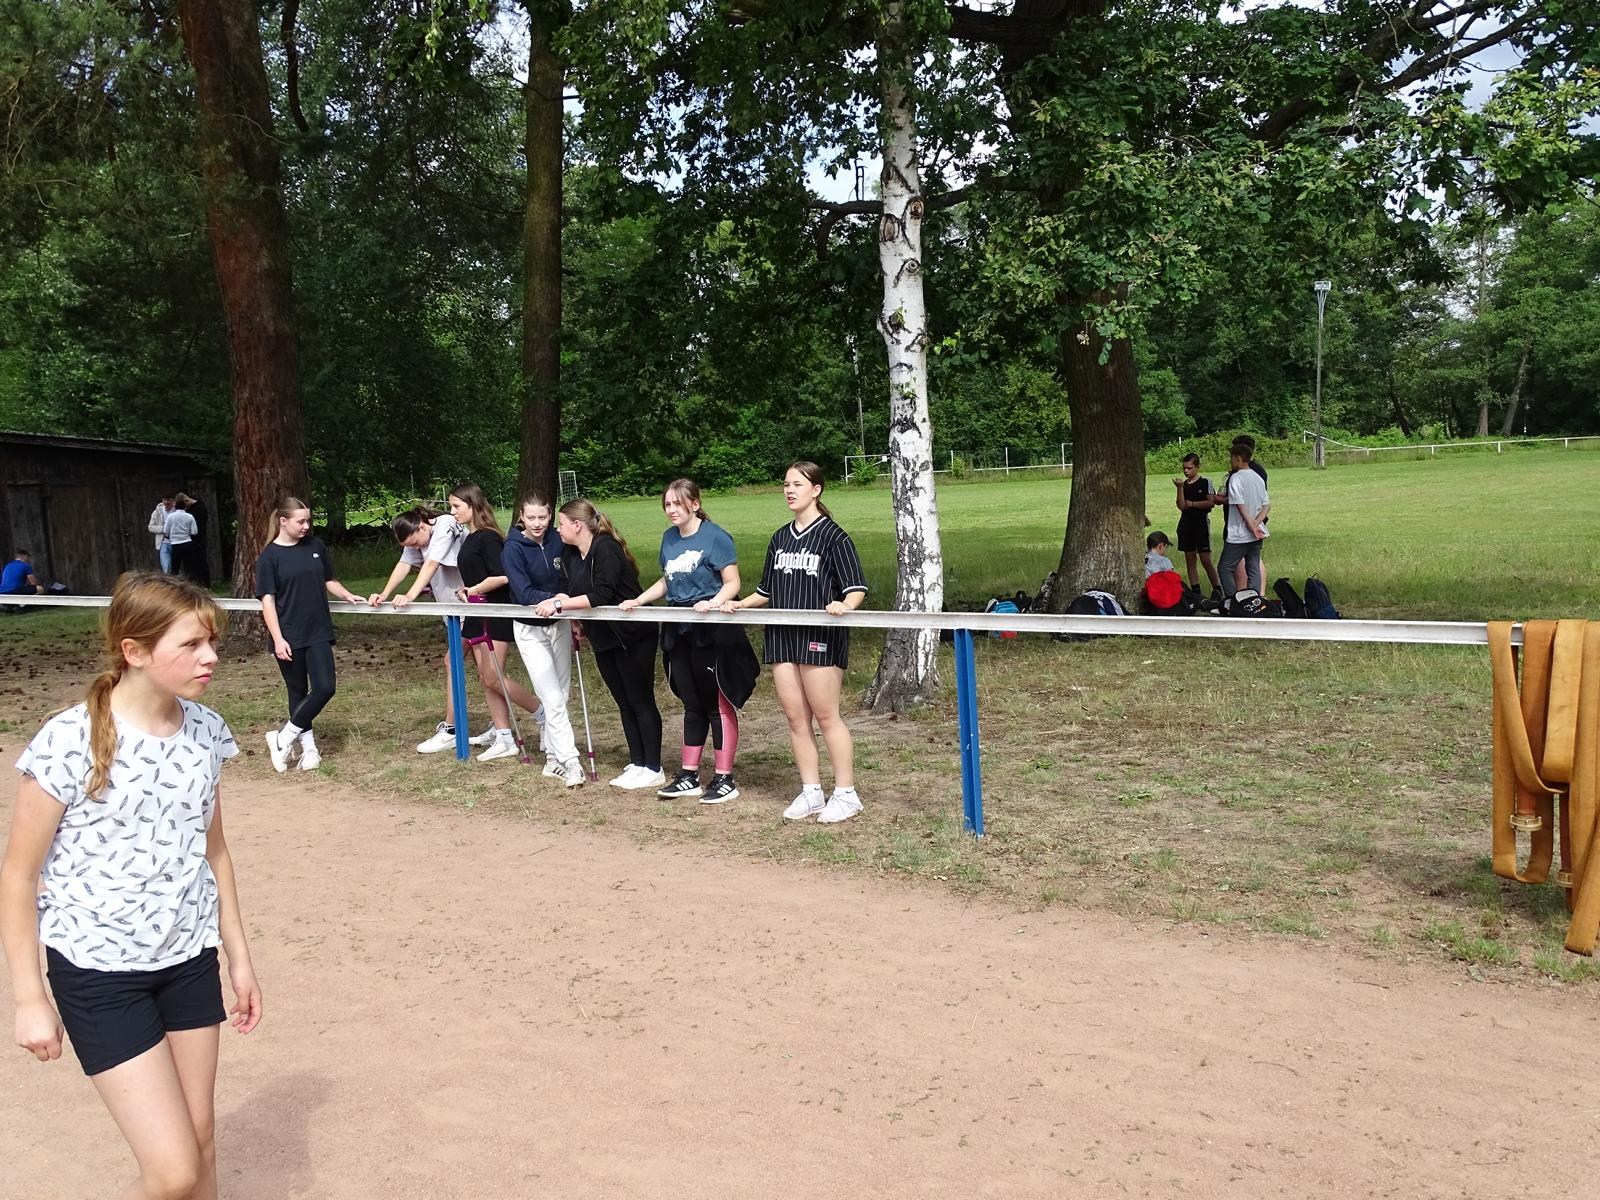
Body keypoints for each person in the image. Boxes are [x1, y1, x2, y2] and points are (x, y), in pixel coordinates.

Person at [0, 571, 262, 1199]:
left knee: (200, 1142)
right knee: (172, 1172)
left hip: (187, 959)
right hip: (99, 971)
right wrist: (29, 997)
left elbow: (215, 852)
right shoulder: (69, 740)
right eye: (191, 644)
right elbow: (18, 875)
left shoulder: (206, 731)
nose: (210, 657)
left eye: (213, 642)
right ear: (135, 650)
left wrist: (238, 957)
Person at [721, 462, 868, 823]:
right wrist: (740, 604)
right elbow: (765, 590)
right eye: (786, 484)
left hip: (819, 636)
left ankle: (846, 794)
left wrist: (845, 605)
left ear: (816, 490)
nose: (789, 490)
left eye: (797, 484)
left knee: (826, 716)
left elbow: (856, 588)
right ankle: (811, 791)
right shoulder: (779, 538)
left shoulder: (834, 537)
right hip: (782, 636)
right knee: (795, 717)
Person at [621, 479, 759, 805]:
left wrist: (713, 603)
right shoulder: (668, 539)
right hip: (679, 630)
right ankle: (689, 774)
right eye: (667, 505)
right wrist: (639, 600)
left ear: (694, 504)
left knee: (717, 704)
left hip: (711, 632)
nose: (671, 510)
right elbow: (668, 580)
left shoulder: (716, 537)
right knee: (691, 703)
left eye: (677, 504)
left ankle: (724, 778)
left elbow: (732, 582)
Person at [533, 500, 664, 790]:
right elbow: (567, 591)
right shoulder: (569, 554)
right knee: (623, 700)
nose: (557, 529)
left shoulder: (606, 548)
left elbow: (602, 593)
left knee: (640, 698)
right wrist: (571, 614)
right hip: (603, 635)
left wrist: (559, 606)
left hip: (632, 634)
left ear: (577, 525)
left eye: (561, 523)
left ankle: (653, 766)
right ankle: (638, 761)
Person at [369, 505, 496, 754]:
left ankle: (454, 729)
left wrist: (410, 595)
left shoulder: (445, 524)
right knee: (482, 670)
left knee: (467, 666)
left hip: (471, 606)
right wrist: (384, 593)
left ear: (422, 526)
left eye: (417, 543)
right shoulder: (419, 535)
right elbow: (404, 565)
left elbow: (431, 565)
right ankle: (500, 725)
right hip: (454, 611)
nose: (417, 549)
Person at [256, 498, 364, 773]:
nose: (306, 526)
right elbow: (267, 600)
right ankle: (309, 749)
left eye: (308, 520)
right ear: (283, 521)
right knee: (297, 691)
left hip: (318, 630)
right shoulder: (269, 557)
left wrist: (347, 595)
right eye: (300, 521)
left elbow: (329, 580)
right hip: (288, 634)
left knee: (325, 687)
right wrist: (278, 639)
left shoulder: (316, 546)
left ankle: (282, 738)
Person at [448, 483, 545, 764]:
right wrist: (468, 590)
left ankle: (542, 714)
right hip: (477, 611)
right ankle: (504, 736)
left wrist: (475, 589)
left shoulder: (489, 538)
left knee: (493, 676)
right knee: (486, 678)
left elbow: (503, 575)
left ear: (473, 505)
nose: (452, 511)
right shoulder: (471, 536)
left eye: (456, 506)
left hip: (494, 612)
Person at [503, 492, 585, 787]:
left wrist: (564, 604)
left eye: (543, 517)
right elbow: (524, 593)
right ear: (521, 517)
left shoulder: (556, 540)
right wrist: (557, 599)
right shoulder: (512, 548)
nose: (537, 523)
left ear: (550, 516)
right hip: (530, 628)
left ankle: (552, 759)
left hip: (559, 622)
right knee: (551, 697)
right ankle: (571, 761)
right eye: (531, 518)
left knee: (561, 694)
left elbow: (569, 577)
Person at [1217, 443, 1270, 598]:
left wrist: (1250, 525)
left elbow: (1240, 506)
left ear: (1238, 459)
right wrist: (1257, 523)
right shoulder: (1257, 477)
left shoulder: (1236, 478)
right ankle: (1254, 599)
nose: (1230, 461)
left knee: (1225, 568)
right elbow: (1267, 505)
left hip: (1239, 533)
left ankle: (1233, 599)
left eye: (1231, 458)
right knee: (1253, 566)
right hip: (1257, 532)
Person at [1172, 454, 1222, 596]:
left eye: (1189, 468)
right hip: (1186, 524)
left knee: (1205, 559)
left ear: (1197, 467)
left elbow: (1211, 502)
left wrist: (1193, 504)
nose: (1186, 471)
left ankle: (1217, 589)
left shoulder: (1205, 482)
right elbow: (1181, 506)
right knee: (1190, 559)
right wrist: (1180, 488)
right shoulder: (1184, 485)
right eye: (1184, 468)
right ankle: (1196, 592)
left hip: (1200, 524)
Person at [174, 493, 211, 586]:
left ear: (186, 500)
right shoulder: (188, 511)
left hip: (199, 540)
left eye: (184, 505)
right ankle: (193, 583)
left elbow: (199, 528)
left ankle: (205, 584)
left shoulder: (200, 508)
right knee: (189, 565)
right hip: (188, 541)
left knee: (201, 562)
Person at [163, 499, 202, 583]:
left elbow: (165, 531)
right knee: (189, 568)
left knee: (175, 568)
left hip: (175, 544)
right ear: (185, 507)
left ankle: (175, 585)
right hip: (187, 543)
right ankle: (190, 584)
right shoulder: (190, 516)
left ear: (175, 507)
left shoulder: (171, 516)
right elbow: (194, 532)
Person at [147, 495, 175, 573]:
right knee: (166, 568)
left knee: (176, 568)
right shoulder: (157, 512)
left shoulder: (177, 510)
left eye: (169, 500)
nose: (166, 502)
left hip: (176, 542)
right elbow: (151, 527)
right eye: (165, 500)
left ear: (173, 500)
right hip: (164, 543)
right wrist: (164, 528)